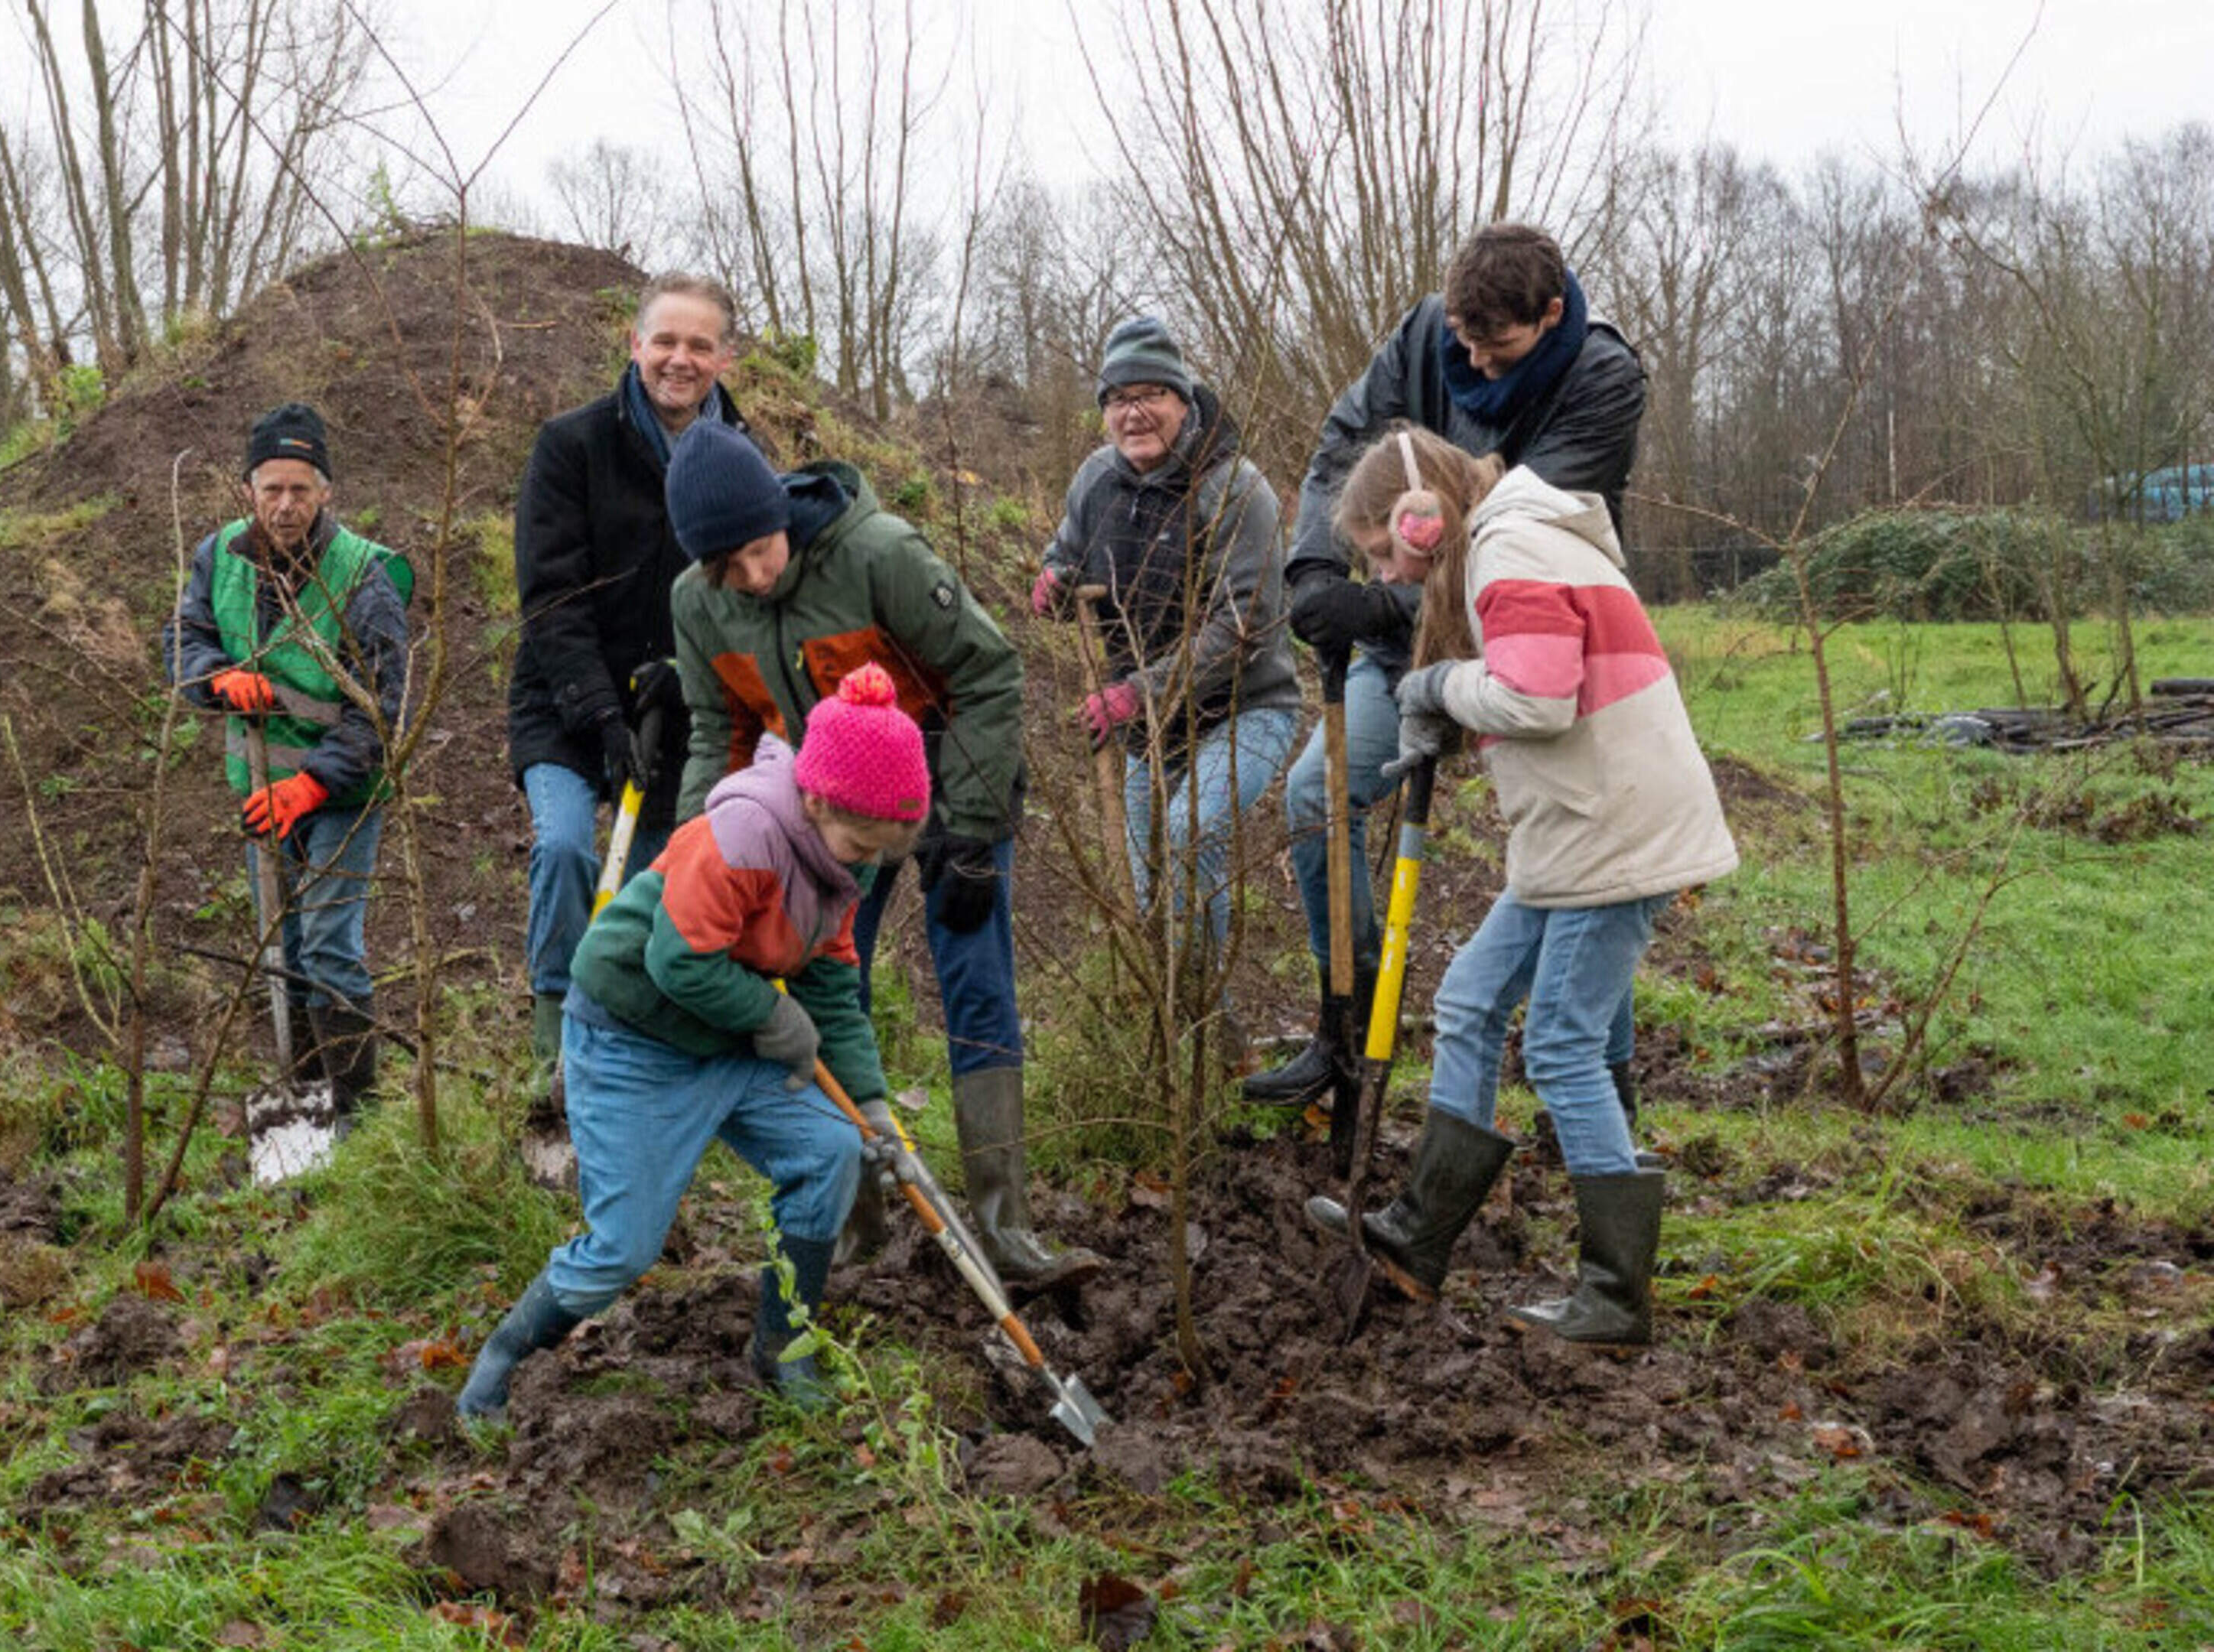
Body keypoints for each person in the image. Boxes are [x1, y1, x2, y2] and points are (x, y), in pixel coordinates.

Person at [1303, 427, 1736, 1347]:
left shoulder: (1510, 548)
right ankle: (1419, 1233)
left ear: (1420, 519)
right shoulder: (1506, 544)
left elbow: (1537, 699)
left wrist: (1436, 687)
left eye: (1382, 552)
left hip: (1610, 829)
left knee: (1562, 1045)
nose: (1388, 576)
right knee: (1468, 999)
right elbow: (1527, 684)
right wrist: (1445, 709)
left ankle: (1614, 1297)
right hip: (1576, 825)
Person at [666, 418, 1105, 1295]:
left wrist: (972, 827)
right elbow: (721, 728)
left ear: (778, 514)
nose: (755, 577)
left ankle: (1005, 1227)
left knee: (974, 977)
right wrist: (694, 856)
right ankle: (853, 1224)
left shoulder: (879, 555)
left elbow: (990, 671)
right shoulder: (697, 602)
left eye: (761, 551)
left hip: (942, 776)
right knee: (825, 982)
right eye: (729, 567)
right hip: (823, 807)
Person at [1249, 223, 1649, 1120]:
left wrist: (1381, 605)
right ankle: (1346, 1026)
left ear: (1550, 315)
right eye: (1463, 339)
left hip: (1542, 652)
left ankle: (1605, 1087)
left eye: (1495, 342)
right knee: (1317, 795)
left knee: (1581, 860)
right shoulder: (1430, 331)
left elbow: (1517, 548)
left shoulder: (1602, 380)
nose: (1472, 360)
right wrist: (1315, 569)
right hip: (1407, 650)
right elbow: (1346, 441)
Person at [457, 668, 931, 1419]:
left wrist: (871, 1103)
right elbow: (676, 962)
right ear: (816, 801)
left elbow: (832, 987)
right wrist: (774, 1018)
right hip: (631, 1036)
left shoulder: (848, 862)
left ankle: (784, 1348)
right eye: (859, 845)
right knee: (623, 1248)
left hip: (726, 1035)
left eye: (881, 851)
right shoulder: (743, 834)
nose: (864, 863)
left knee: (831, 1151)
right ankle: (502, 1362)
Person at [508, 274, 750, 1099]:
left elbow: (743, 594)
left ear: (724, 357)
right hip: (565, 699)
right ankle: (551, 1043)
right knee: (566, 847)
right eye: (665, 341)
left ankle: (616, 1048)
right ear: (635, 344)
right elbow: (551, 597)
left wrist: (686, 682)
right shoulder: (571, 446)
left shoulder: (741, 460)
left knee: (652, 888)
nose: (680, 360)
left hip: (680, 715)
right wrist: (602, 714)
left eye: (699, 345)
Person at [172, 403, 411, 1128]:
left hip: (343, 790)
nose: (285, 505)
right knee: (286, 946)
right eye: (271, 488)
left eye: (300, 490)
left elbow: (381, 710)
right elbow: (183, 638)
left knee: (332, 946)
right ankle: (307, 1103)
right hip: (261, 788)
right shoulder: (219, 557)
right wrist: (216, 677)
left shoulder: (365, 577)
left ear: (326, 491)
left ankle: (357, 1115)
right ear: (249, 488)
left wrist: (312, 784)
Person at [1031, 316, 1297, 954]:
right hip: (1150, 723)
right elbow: (1066, 551)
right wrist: (1055, 578)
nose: (1134, 413)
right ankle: (1165, 1001)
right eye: (1118, 399)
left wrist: (1140, 691)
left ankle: (1204, 999)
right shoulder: (1096, 478)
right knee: (1143, 871)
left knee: (1187, 834)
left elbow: (1245, 625)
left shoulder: (1234, 489)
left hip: (1243, 708)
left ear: (1182, 399)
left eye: (1151, 394)